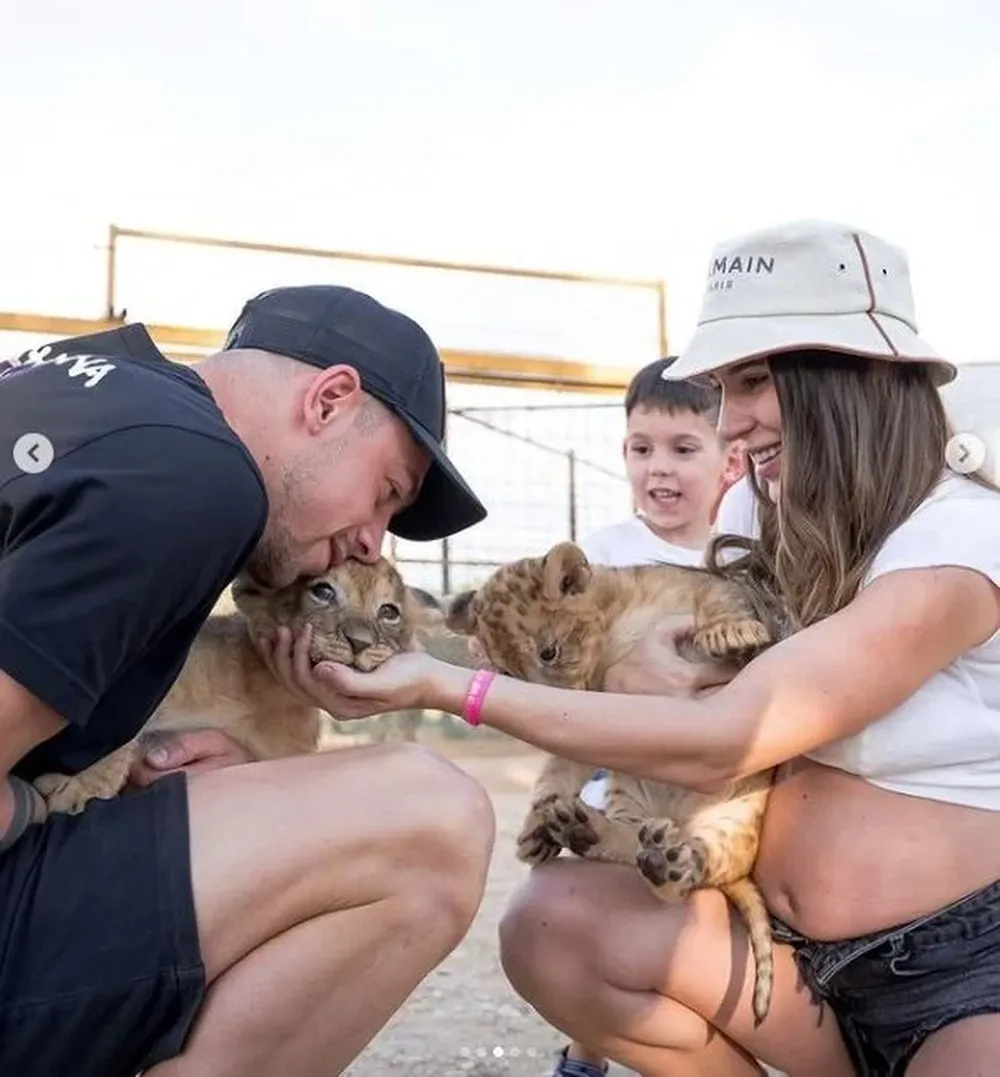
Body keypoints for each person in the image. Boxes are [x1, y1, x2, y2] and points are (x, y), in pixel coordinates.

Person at [262, 220, 1000, 1077]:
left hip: (956, 963)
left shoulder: (963, 539)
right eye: (722, 388)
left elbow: (739, 728)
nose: (734, 421)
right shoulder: (754, 514)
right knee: (550, 924)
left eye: (754, 380)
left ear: (849, 377)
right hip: (775, 950)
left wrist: (447, 686)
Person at [0, 284, 496, 1077]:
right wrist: (34, 807)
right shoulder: (199, 477)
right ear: (330, 400)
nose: (371, 543)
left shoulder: (78, 381)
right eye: (387, 494)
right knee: (430, 819)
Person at [566, 355, 741, 1076]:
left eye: (682, 448)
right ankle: (584, 1057)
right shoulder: (607, 556)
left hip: (714, 774)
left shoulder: (744, 555)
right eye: (642, 448)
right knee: (600, 928)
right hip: (623, 770)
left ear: (732, 458)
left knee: (690, 933)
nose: (657, 469)